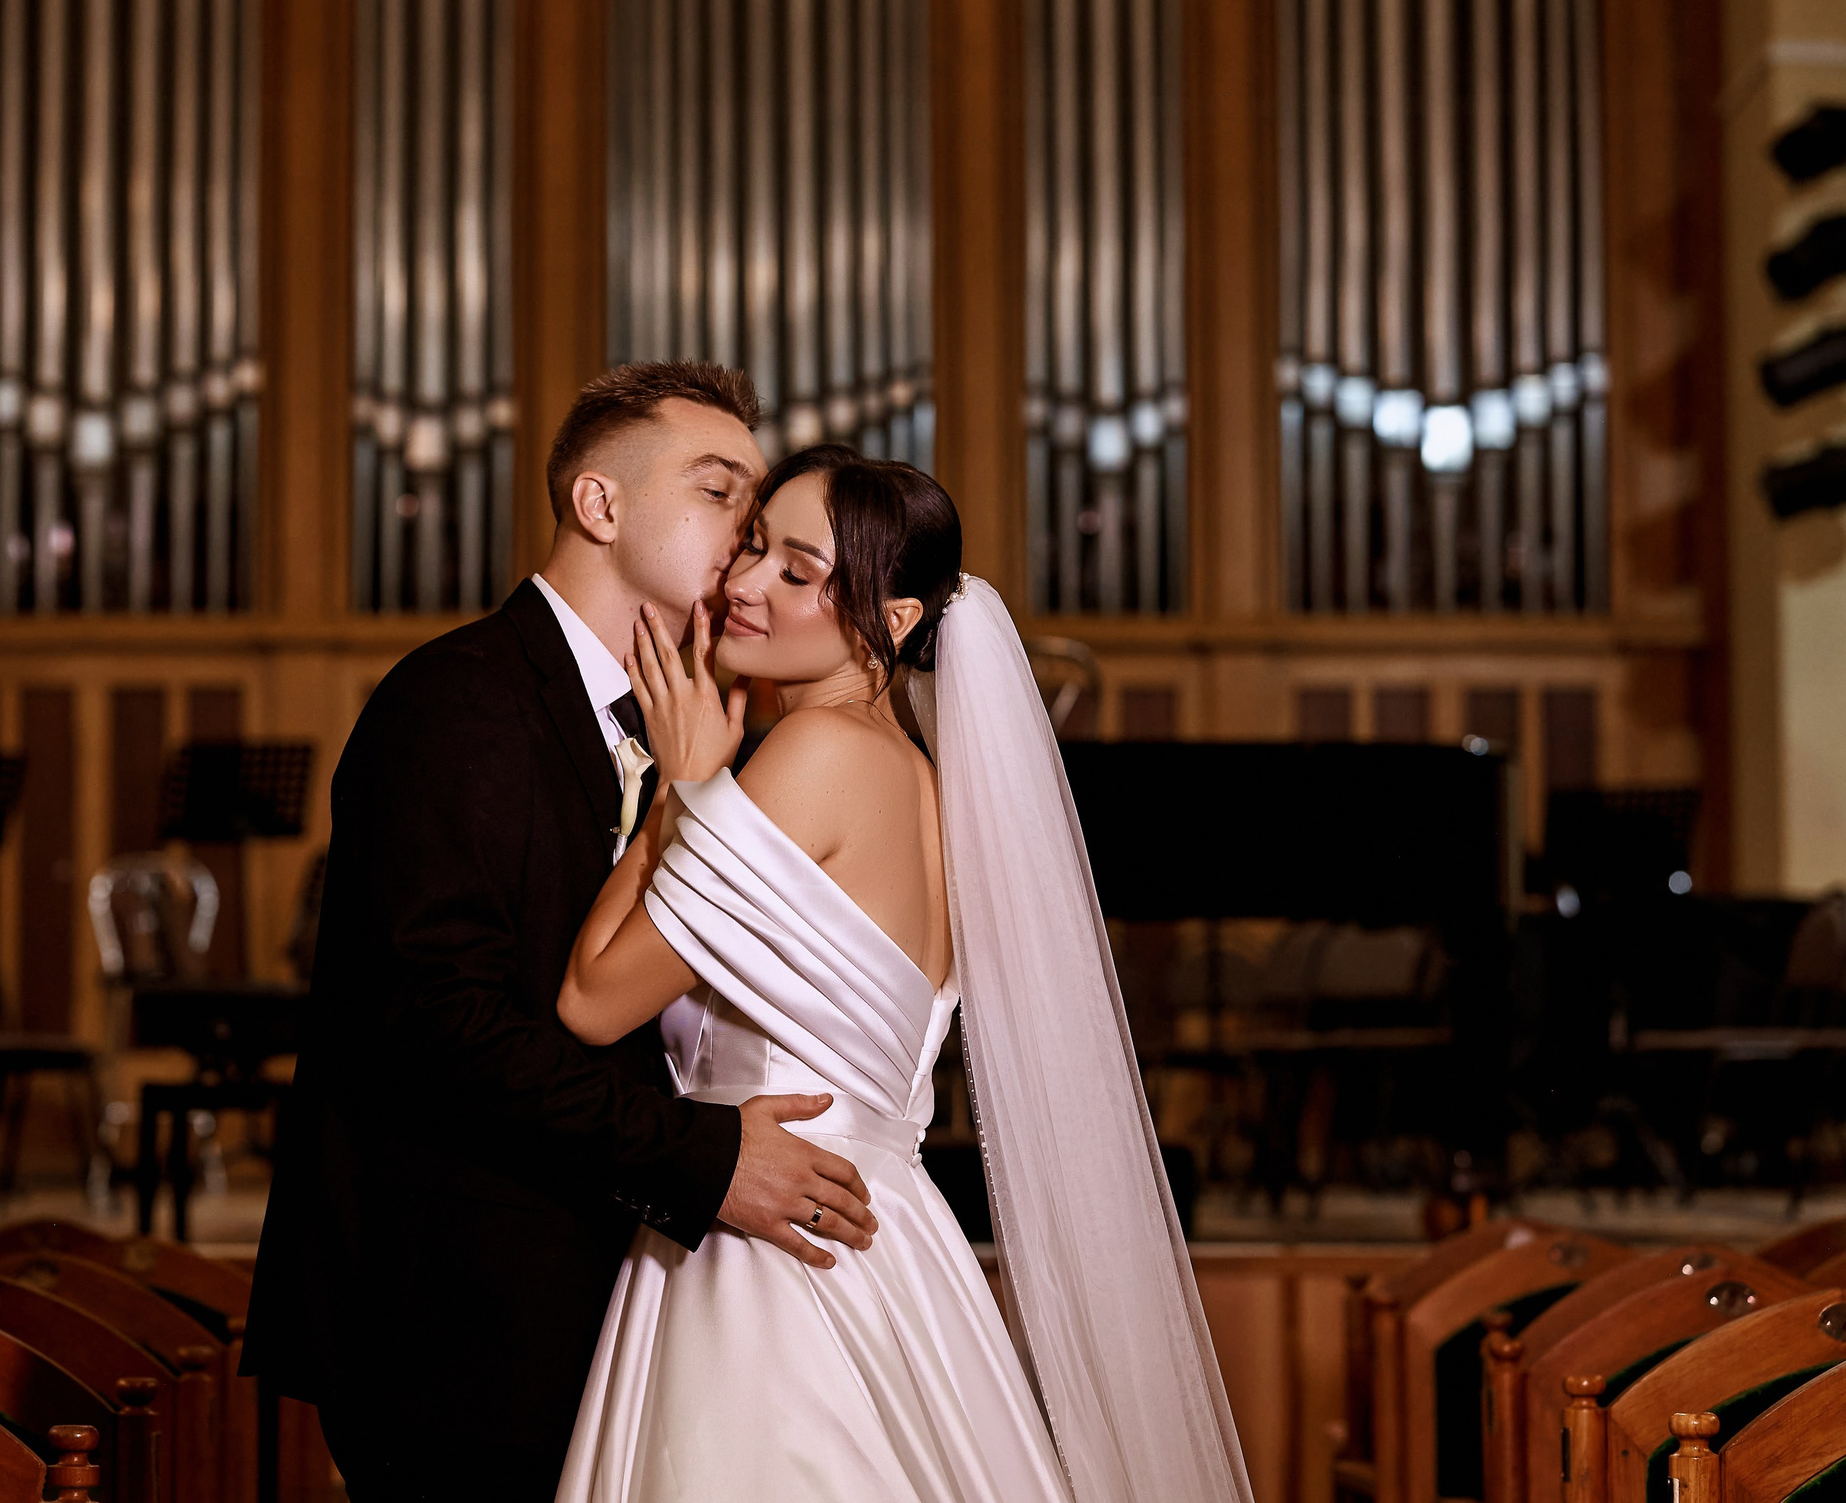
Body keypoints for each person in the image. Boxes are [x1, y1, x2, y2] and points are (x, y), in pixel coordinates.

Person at [555, 446, 1253, 1502]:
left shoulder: (812, 757)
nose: (742, 583)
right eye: (752, 548)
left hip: (773, 1248)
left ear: (891, 619)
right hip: (886, 1229)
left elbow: (592, 1000)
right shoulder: (922, 781)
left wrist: (679, 783)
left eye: (797, 571)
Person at [244, 364, 882, 1501]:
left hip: (601, 1300)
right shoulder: (459, 701)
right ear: (599, 505)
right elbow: (440, 1024)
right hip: (453, 1318)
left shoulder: (696, 725)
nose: (748, 525)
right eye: (718, 487)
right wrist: (705, 1155)